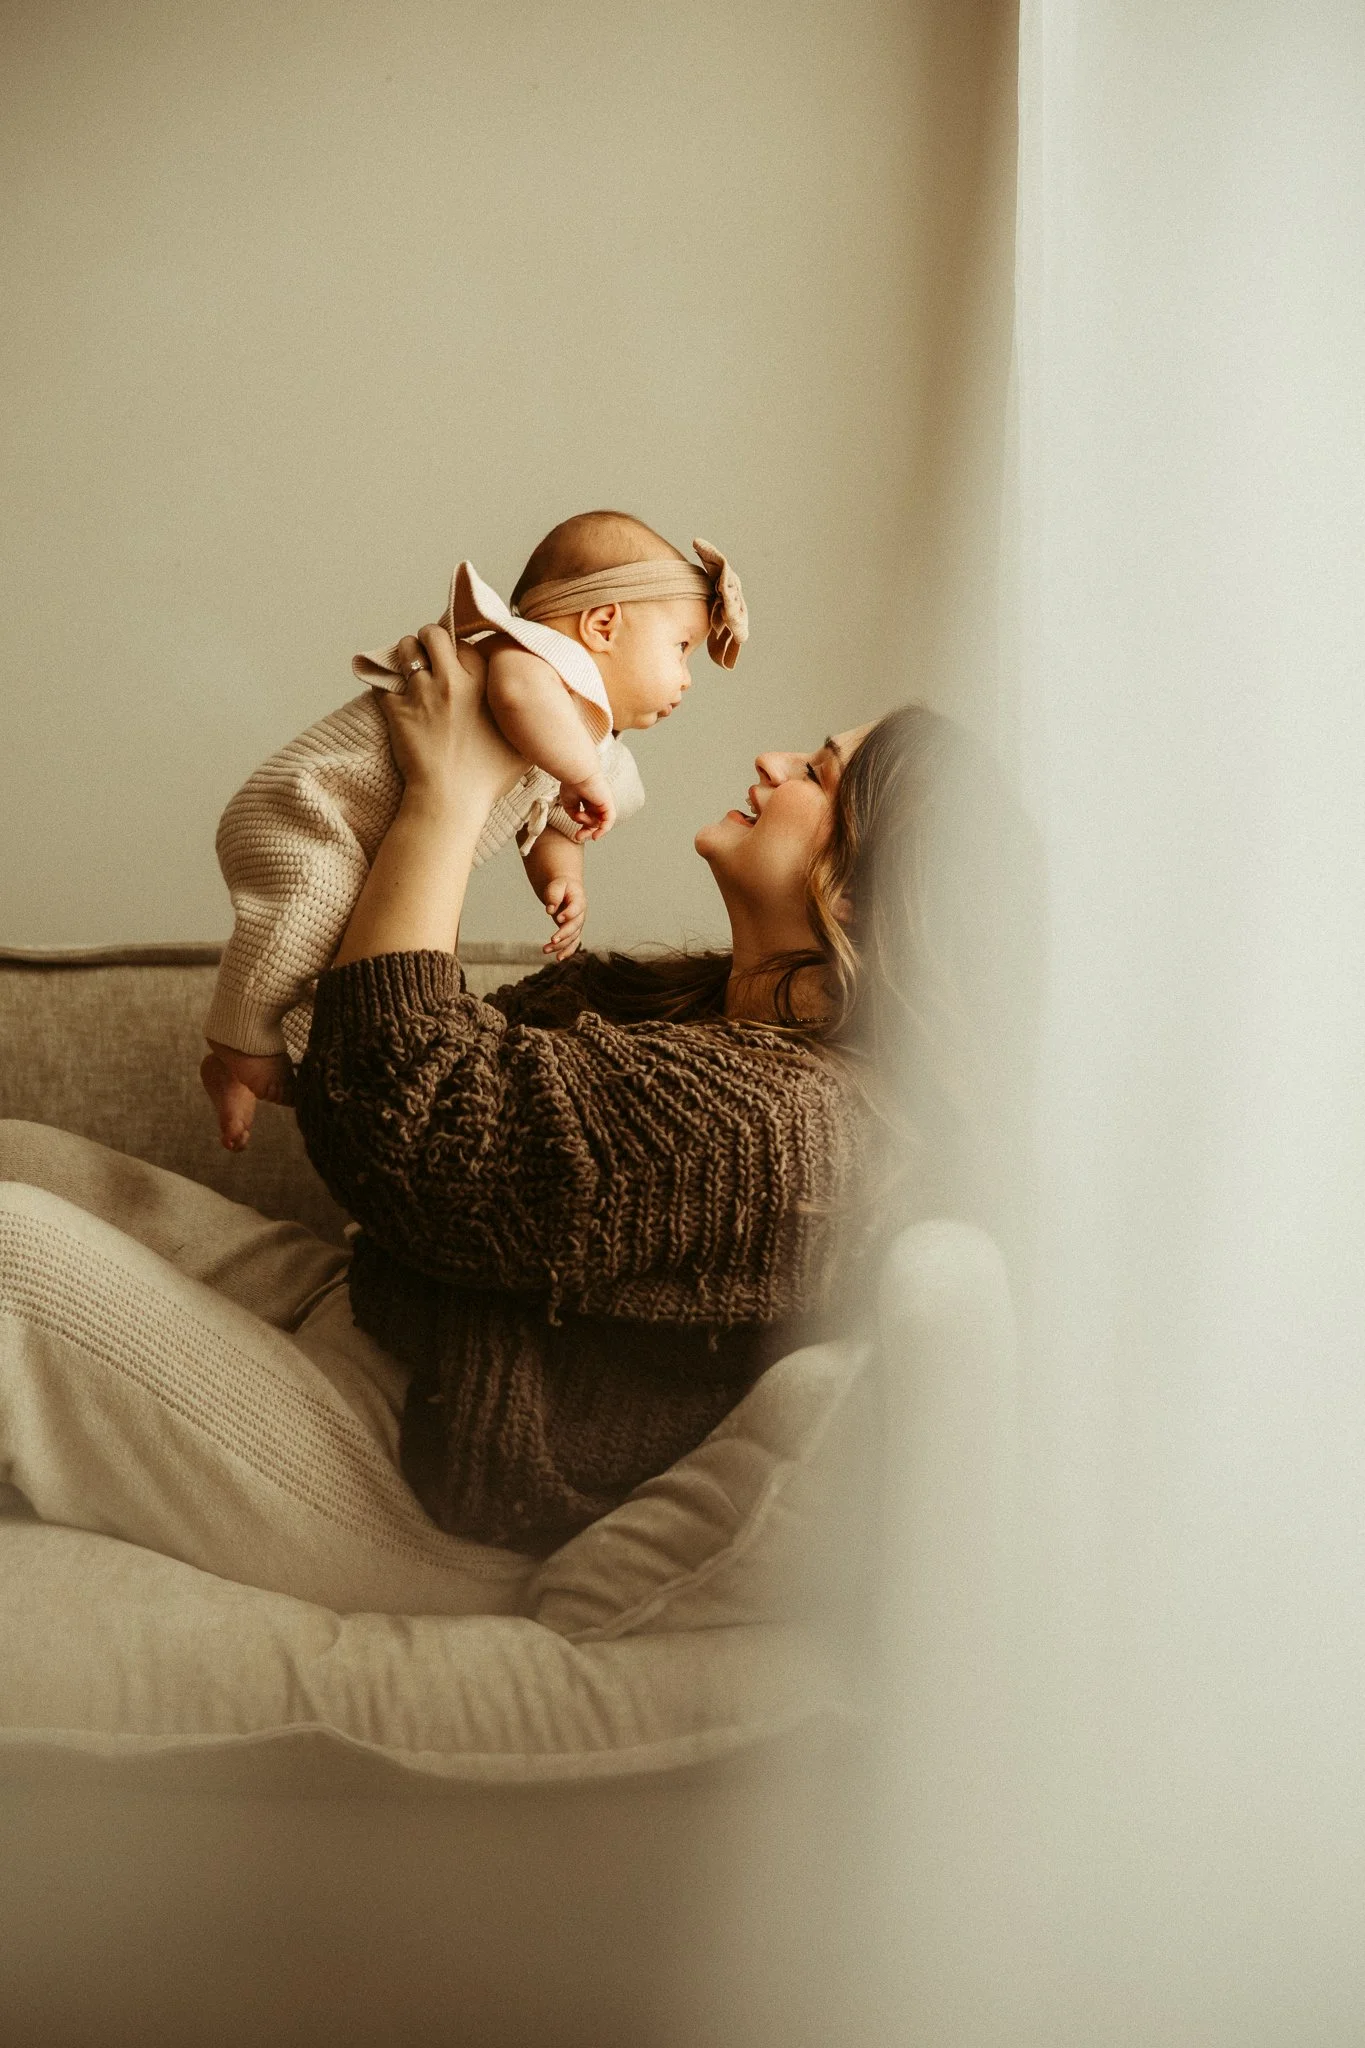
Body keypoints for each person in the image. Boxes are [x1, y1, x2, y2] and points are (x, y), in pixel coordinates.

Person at [0, 629, 1034, 1607]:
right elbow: (410, 1055)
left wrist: (449, 798)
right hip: (394, 1319)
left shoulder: (780, 1127)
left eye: (815, 772)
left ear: (859, 889)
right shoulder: (709, 1016)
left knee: (10, 1258)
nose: (770, 761)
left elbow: (402, 1129)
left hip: (420, 1484)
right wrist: (477, 787)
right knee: (24, 1158)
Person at [199, 510, 747, 1153]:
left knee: (347, 971)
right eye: (681, 649)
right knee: (306, 913)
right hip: (309, 806)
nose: (685, 677)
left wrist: (562, 873)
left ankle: (238, 1061)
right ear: (603, 625)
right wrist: (582, 776)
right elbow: (518, 700)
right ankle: (236, 1040)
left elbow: (550, 822)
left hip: (374, 854)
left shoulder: (593, 744)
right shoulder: (534, 658)